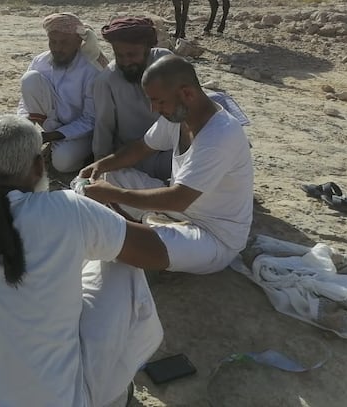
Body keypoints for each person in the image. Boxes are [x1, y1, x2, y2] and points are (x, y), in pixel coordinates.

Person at [0, 115, 166, 407]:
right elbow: (157, 253)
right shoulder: (69, 210)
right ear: (39, 166)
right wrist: (110, 216)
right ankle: (114, 390)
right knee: (122, 265)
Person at [81, 55, 254, 275]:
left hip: (212, 236)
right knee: (106, 177)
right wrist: (100, 165)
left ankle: (137, 231)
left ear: (187, 94)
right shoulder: (178, 115)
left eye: (159, 101)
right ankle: (142, 227)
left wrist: (114, 195)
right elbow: (141, 148)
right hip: (174, 212)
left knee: (122, 242)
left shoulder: (220, 136)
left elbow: (178, 199)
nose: (154, 109)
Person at [17, 13, 107, 173]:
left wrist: (48, 137)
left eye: (64, 43)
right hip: (51, 127)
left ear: (78, 42)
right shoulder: (40, 61)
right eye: (53, 42)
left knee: (62, 163)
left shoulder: (91, 70)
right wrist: (24, 129)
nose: (57, 48)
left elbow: (90, 120)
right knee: (29, 79)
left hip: (83, 133)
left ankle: (83, 154)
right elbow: (26, 101)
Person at [93, 17, 173, 181]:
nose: (126, 61)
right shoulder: (107, 80)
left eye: (132, 54)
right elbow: (104, 127)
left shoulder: (165, 62)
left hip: (173, 145)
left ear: (147, 48)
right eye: (119, 55)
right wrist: (100, 165)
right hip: (136, 155)